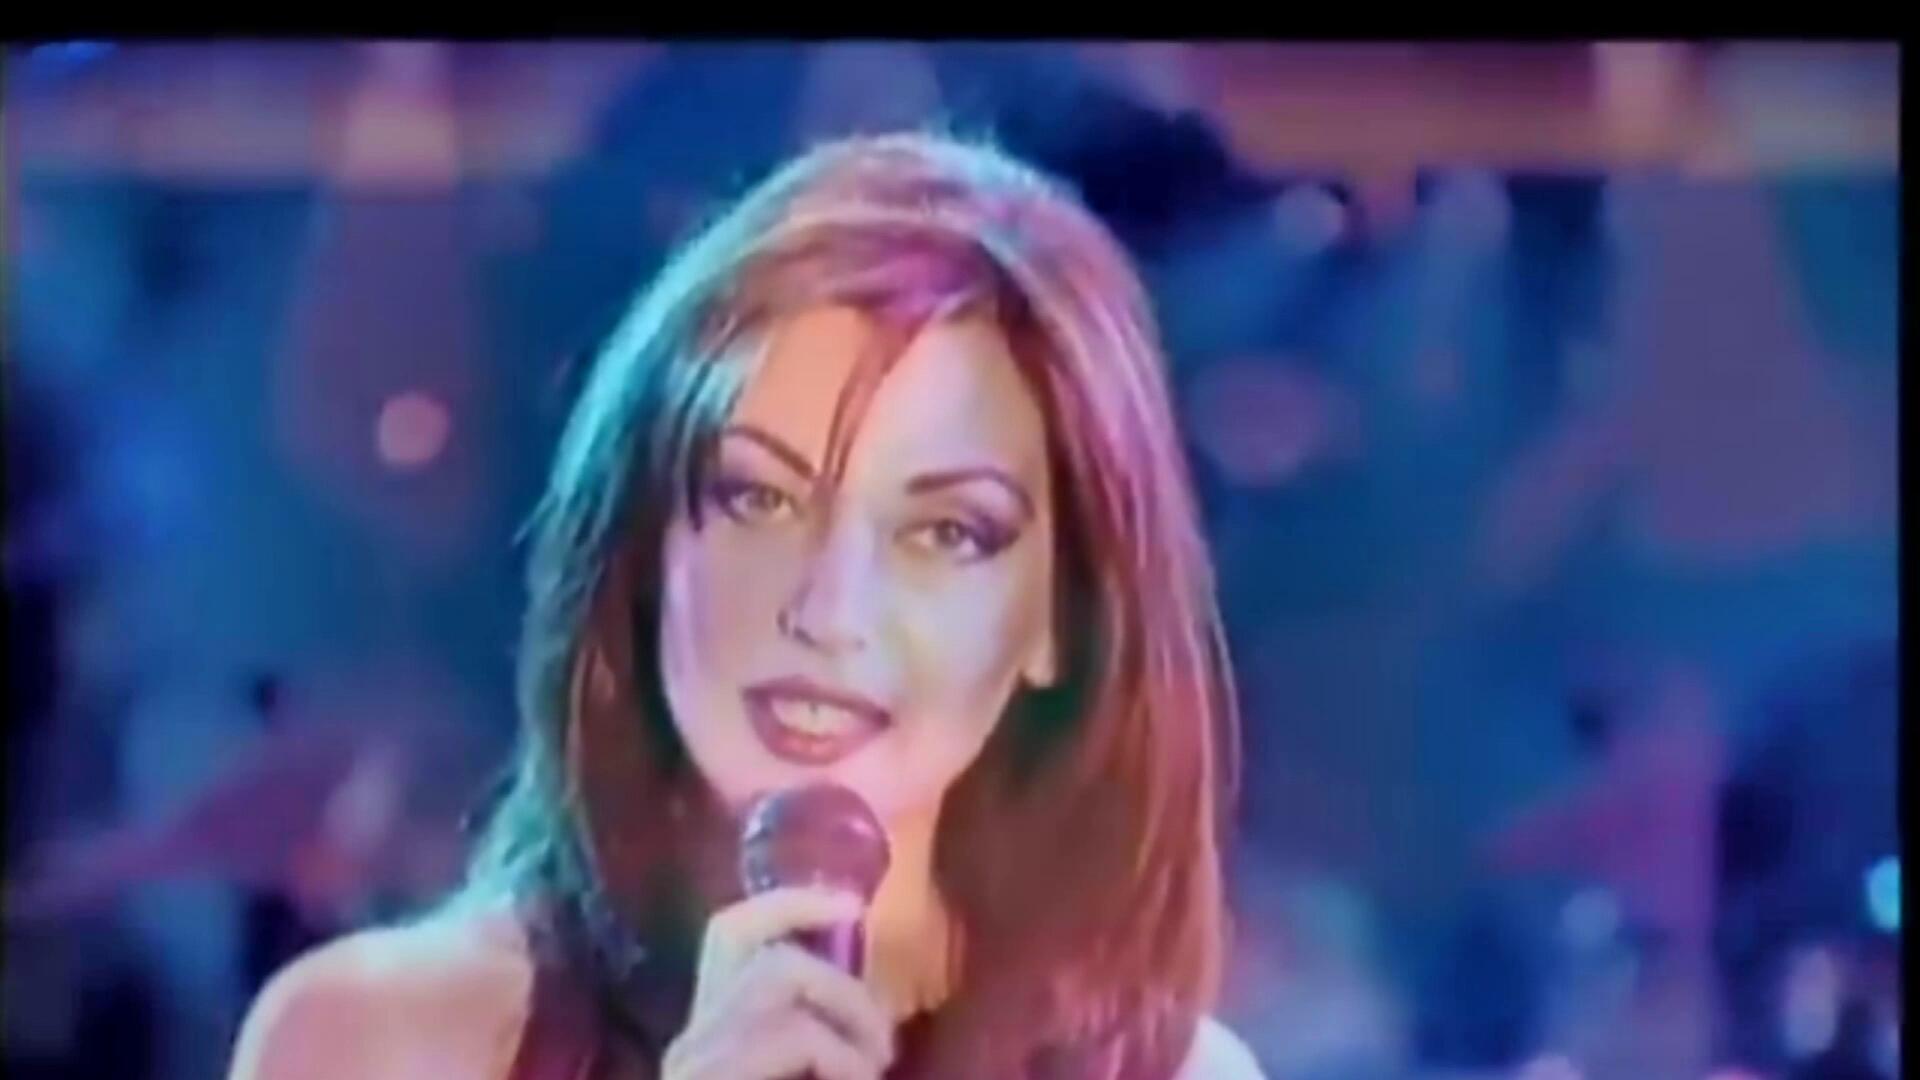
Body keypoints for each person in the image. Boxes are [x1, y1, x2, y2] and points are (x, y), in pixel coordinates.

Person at [227, 130, 1263, 1079]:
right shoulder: (370, 1042)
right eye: (759, 499)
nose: (830, 610)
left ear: (1060, 619)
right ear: (646, 541)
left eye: (947, 532)